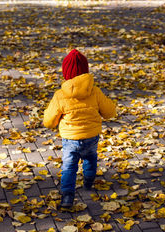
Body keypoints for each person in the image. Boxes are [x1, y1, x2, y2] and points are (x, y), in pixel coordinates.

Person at [43, 49, 116, 208]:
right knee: (90, 158)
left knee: (69, 166)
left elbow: (49, 121)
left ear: (65, 73)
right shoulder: (95, 91)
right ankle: (88, 182)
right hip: (91, 136)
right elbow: (109, 112)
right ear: (86, 71)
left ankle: (68, 196)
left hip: (71, 139)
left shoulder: (60, 95)